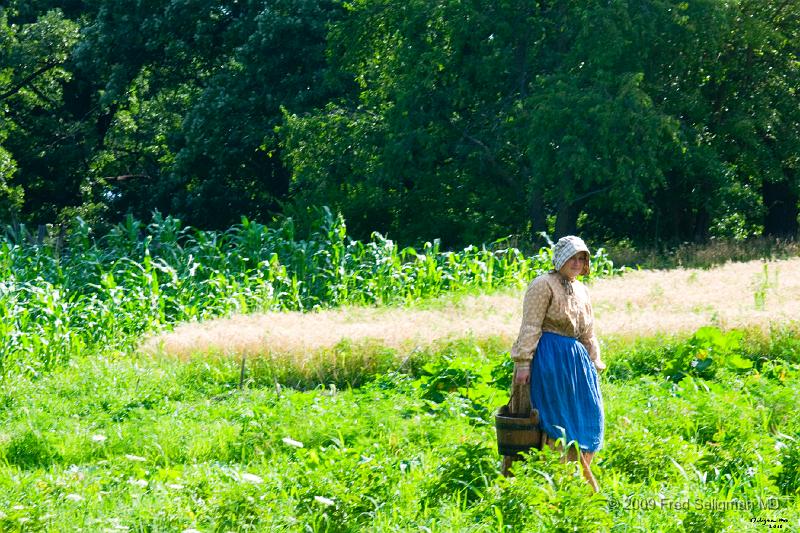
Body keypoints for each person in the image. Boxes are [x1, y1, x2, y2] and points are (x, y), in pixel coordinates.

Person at [511, 235, 606, 491]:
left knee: (589, 416)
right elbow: (530, 325)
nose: (576, 263)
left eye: (581, 259)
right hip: (549, 359)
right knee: (556, 419)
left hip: (577, 362)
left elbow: (588, 332)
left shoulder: (582, 290)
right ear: (561, 258)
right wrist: (523, 363)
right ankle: (556, 479)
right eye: (572, 258)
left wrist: (594, 362)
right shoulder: (543, 285)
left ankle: (576, 477)